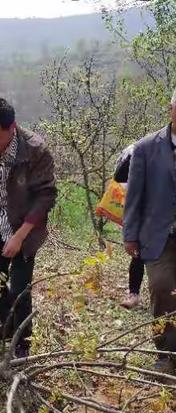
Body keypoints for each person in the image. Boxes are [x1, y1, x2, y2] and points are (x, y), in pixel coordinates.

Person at [0, 97, 57, 357]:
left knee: (21, 287)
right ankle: (8, 325)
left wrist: (20, 236)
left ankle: (23, 341)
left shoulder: (35, 150)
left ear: (12, 127)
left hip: (26, 229)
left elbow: (46, 196)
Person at [124, 87, 176, 373]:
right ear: (171, 110)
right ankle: (166, 354)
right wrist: (130, 234)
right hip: (160, 235)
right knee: (161, 288)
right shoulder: (146, 147)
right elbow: (134, 195)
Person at [113, 144, 145, 309]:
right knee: (138, 253)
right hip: (143, 209)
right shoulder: (141, 149)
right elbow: (119, 176)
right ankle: (134, 294)